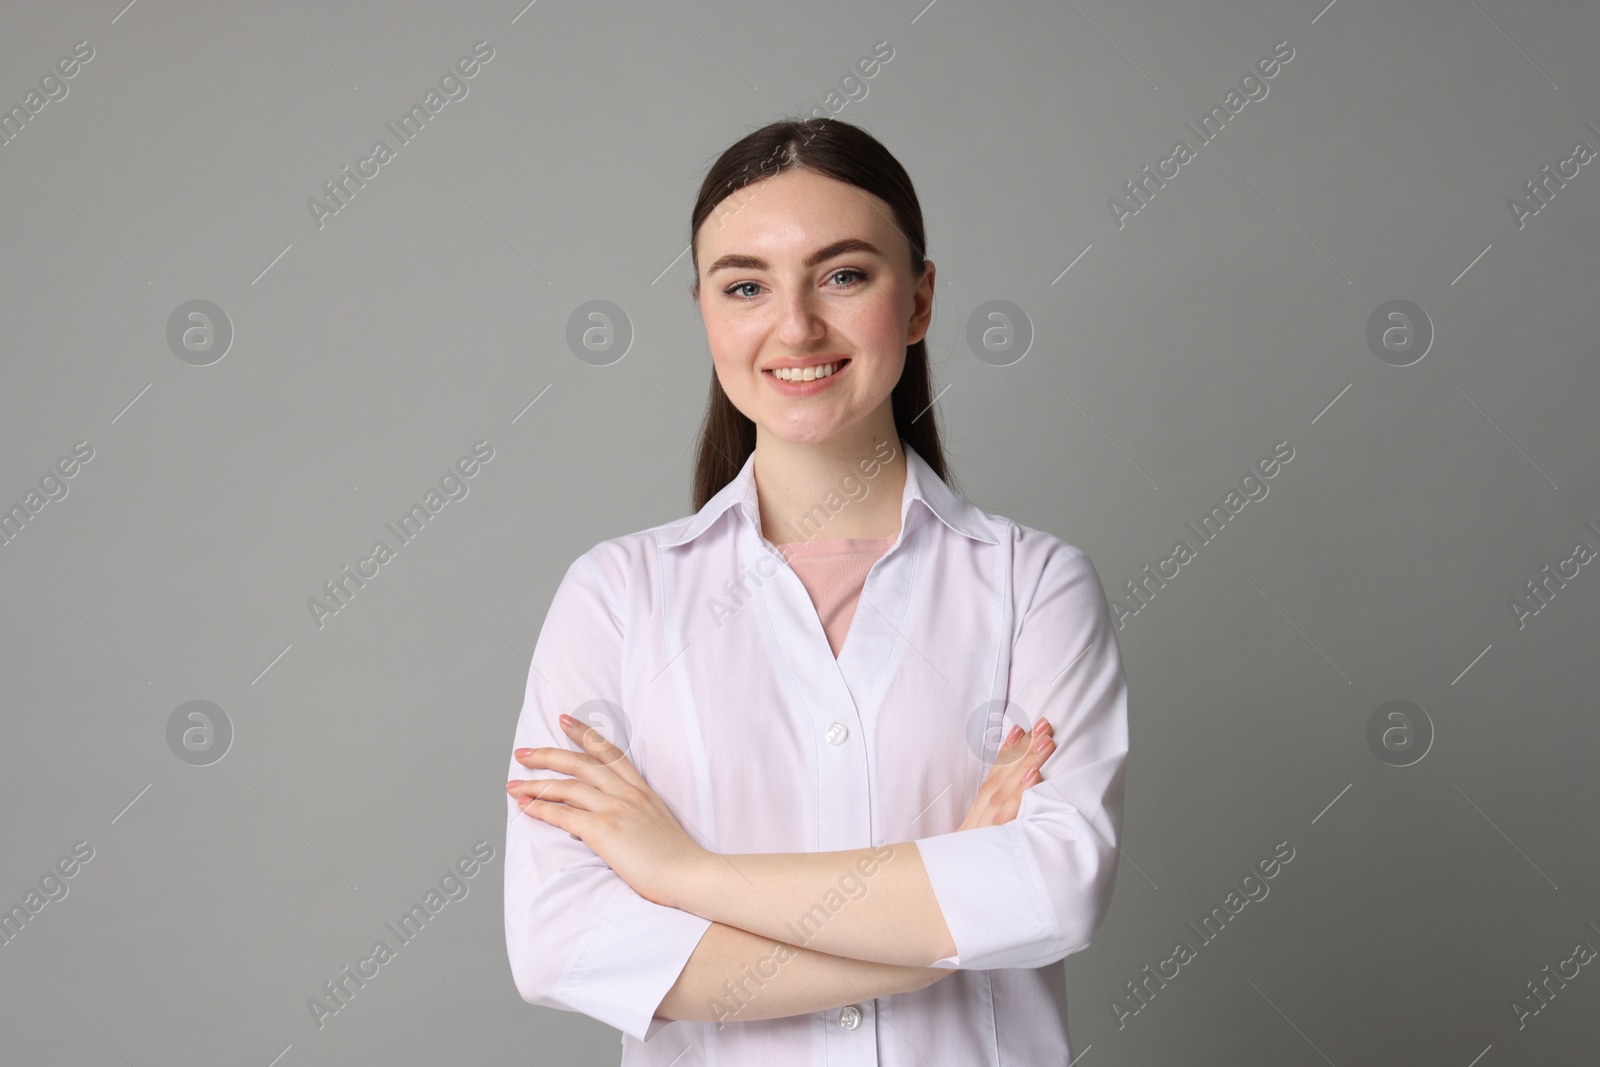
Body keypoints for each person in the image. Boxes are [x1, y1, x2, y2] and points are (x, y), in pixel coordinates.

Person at [504, 116, 1129, 1066]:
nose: (794, 326)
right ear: (706, 311)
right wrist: (927, 941)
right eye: (746, 286)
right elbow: (564, 943)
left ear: (917, 301)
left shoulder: (1033, 586)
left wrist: (682, 872)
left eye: (844, 275)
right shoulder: (617, 597)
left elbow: (1052, 889)